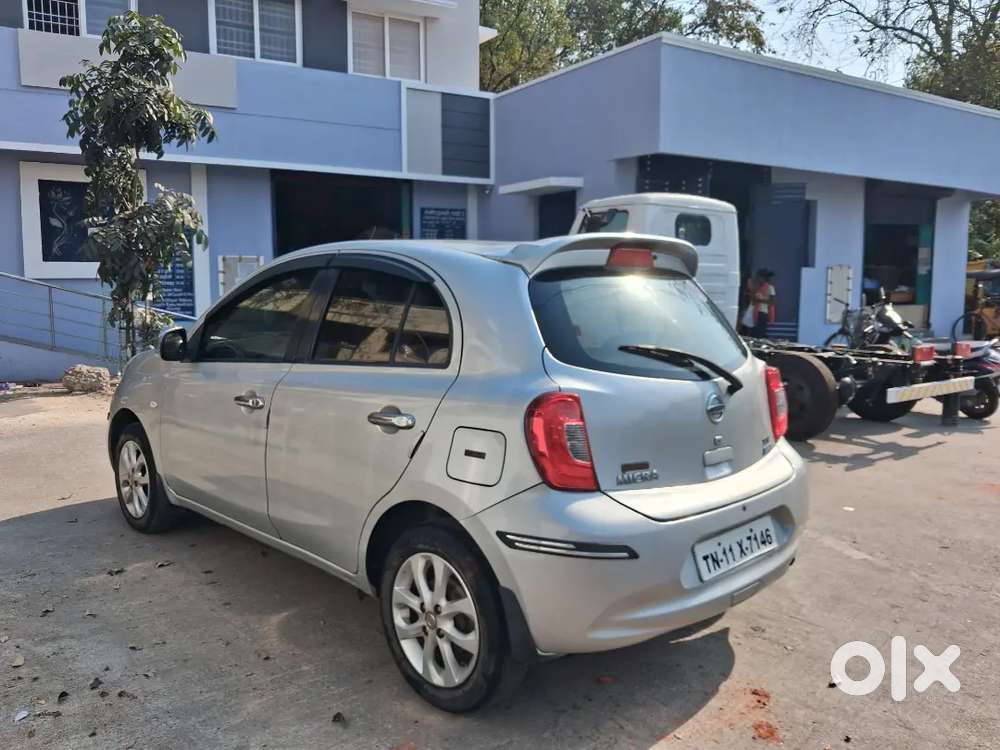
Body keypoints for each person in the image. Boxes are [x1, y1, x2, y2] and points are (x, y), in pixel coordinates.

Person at [743, 268, 776, 338]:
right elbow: (750, 298)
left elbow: (772, 301)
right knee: (750, 332)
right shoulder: (755, 287)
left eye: (760, 277)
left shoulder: (770, 288)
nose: (758, 278)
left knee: (759, 333)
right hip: (753, 312)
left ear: (764, 278)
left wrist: (760, 300)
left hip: (762, 313)